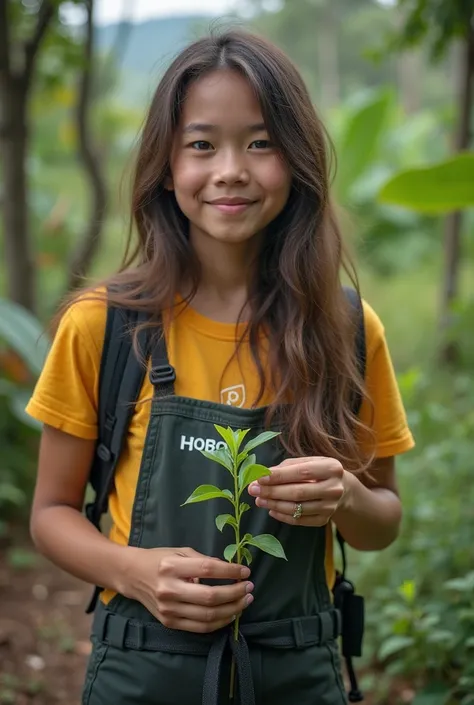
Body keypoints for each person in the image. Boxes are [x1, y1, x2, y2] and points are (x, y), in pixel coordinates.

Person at [27, 29, 414, 705]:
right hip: (142, 670)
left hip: (297, 671)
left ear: (296, 160)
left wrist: (346, 495)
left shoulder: (347, 328)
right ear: (166, 163)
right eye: (202, 144)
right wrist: (134, 570)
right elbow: (51, 512)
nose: (231, 169)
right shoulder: (105, 323)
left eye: (260, 143)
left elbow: (382, 518)